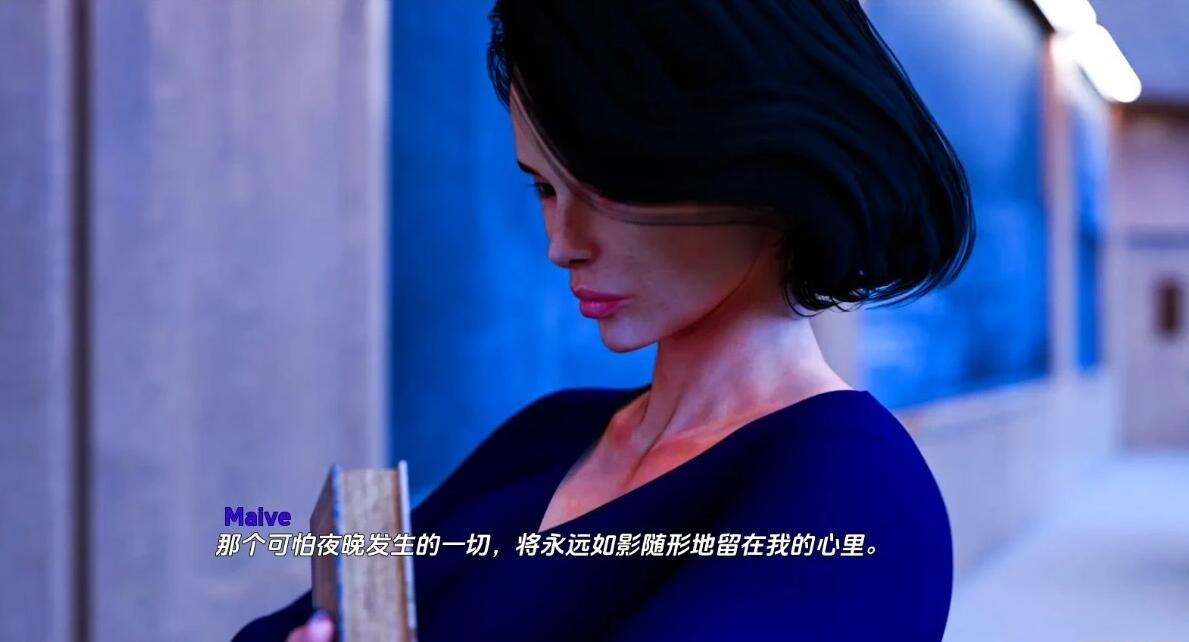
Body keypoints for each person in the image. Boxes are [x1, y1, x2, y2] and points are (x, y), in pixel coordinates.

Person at [234, 0, 973, 639]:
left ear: (761, 158)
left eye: (605, 185)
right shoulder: (550, 431)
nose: (562, 244)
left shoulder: (860, 492)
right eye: (544, 189)